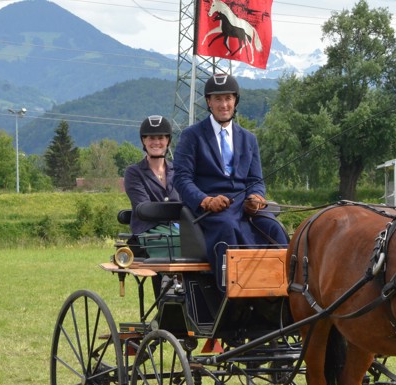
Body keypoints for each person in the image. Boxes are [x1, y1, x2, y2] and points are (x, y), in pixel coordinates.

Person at [173, 73, 288, 283]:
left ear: (235, 101)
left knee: (275, 228)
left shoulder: (249, 139)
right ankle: (232, 291)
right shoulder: (192, 136)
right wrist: (205, 200)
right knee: (228, 228)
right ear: (209, 102)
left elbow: (256, 180)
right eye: (218, 99)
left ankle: (281, 289)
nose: (224, 104)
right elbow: (181, 179)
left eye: (228, 98)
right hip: (211, 211)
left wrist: (256, 197)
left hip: (244, 207)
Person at [123, 114, 181, 258]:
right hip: (149, 231)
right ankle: (169, 279)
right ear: (144, 140)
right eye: (151, 138)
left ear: (168, 140)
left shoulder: (178, 171)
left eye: (161, 138)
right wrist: (179, 210)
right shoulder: (134, 172)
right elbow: (144, 209)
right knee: (182, 242)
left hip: (179, 228)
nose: (156, 142)